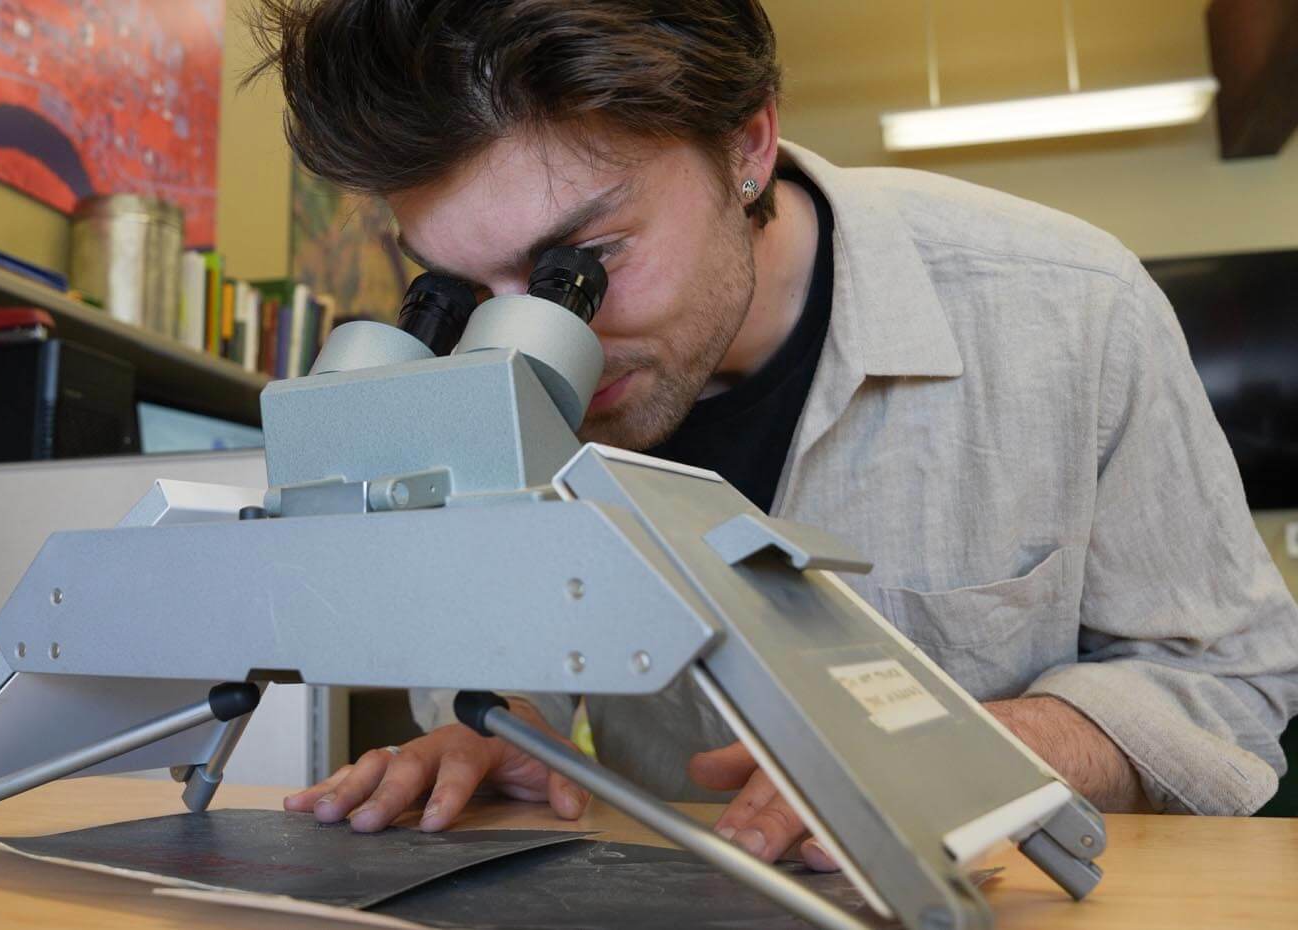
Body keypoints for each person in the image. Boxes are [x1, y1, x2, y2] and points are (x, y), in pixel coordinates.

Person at [256, 0, 1298, 869]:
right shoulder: (489, 365)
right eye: (460, 286)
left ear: (745, 146)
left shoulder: (1069, 310)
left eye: (580, 264)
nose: (529, 337)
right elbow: (514, 637)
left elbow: (1231, 678)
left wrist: (980, 751)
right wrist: (504, 728)